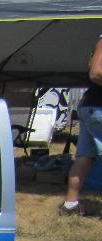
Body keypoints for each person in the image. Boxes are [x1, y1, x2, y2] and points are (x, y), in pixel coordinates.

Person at [60, 36, 102, 216]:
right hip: (98, 107)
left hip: (90, 106)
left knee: (85, 156)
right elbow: (96, 72)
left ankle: (71, 205)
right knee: (85, 157)